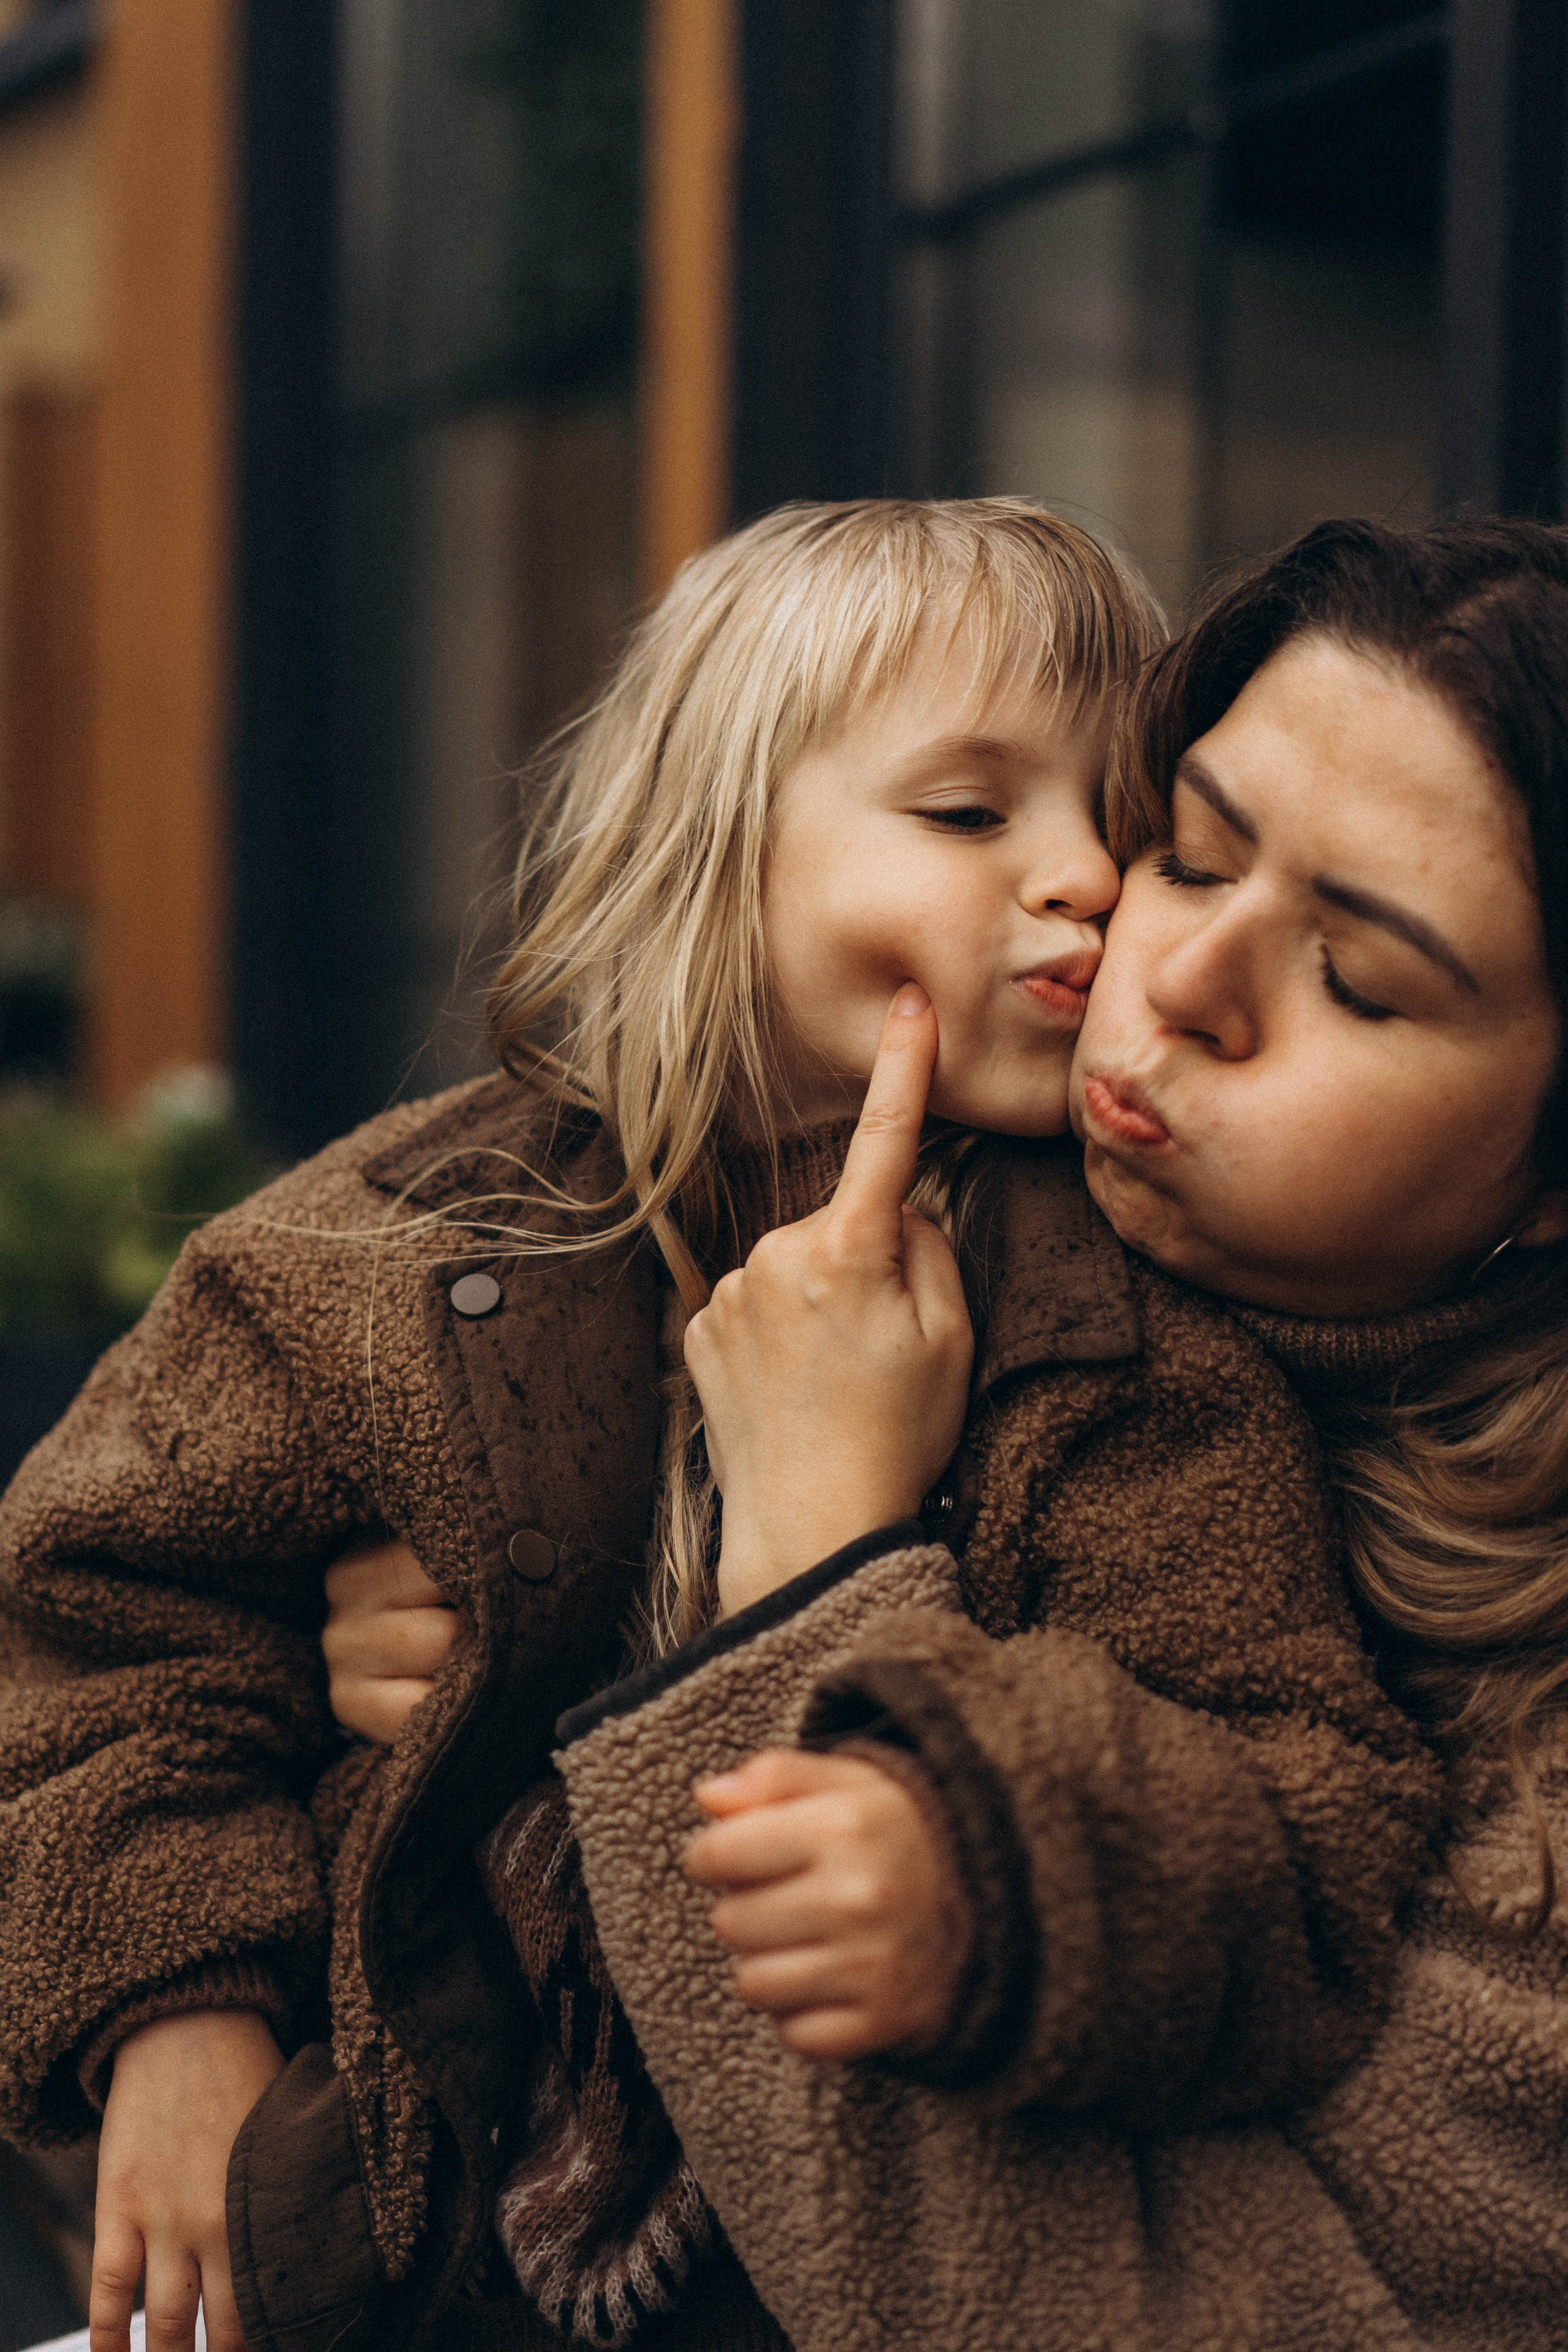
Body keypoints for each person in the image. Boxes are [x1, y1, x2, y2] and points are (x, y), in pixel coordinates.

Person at [0, 498, 1172, 2352]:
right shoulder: (391, 1240)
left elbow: (1202, 1762)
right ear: (711, 845)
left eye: (1130, 819)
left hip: (870, 2248)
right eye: (969, 813)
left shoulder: (1139, 1295)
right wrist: (174, 2011)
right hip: (388, 2229)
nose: (1089, 874)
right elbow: (93, 1614)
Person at [541, 517, 1568, 2348]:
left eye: (1356, 977)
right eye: (1188, 853)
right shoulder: (931, 1225)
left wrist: (816, 1574)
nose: (1167, 975)